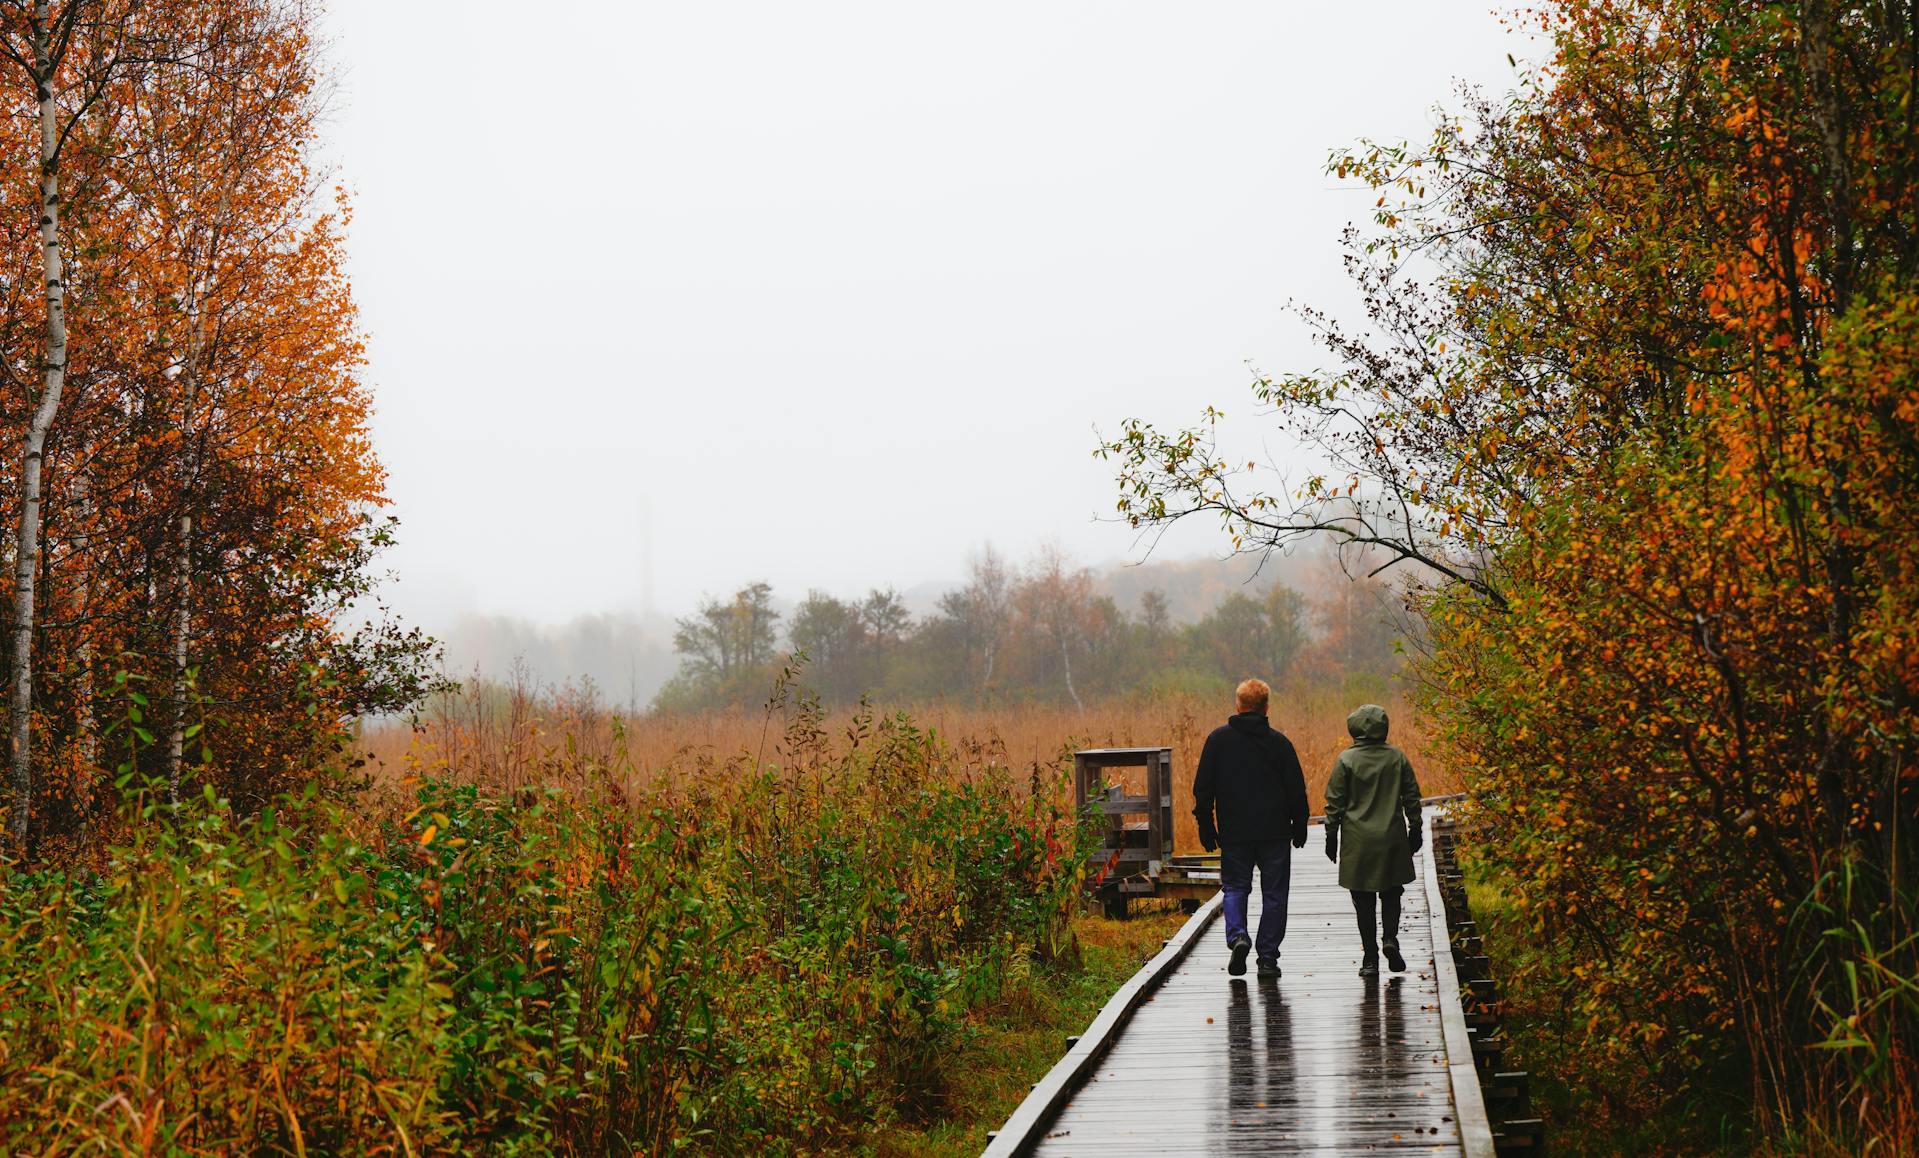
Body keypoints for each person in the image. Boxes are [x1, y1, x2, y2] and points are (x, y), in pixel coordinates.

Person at [1193, 677, 1309, 978]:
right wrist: (1300, 823)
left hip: (1235, 832)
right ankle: (1267, 958)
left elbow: (1203, 787)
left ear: (1238, 705)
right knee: (1275, 894)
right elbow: (1296, 789)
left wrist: (1205, 823)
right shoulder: (1279, 743)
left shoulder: (1218, 741)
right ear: (1266, 707)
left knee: (1235, 887)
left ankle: (1238, 937)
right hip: (1275, 832)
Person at [1323, 703, 1424, 978]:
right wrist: (1416, 827)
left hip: (1358, 840)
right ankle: (1390, 938)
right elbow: (1411, 796)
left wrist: (1331, 835)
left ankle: (1370, 958)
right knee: (1392, 891)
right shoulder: (1397, 758)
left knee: (1363, 898)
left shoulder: (1346, 760)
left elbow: (1334, 802)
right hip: (1392, 836)